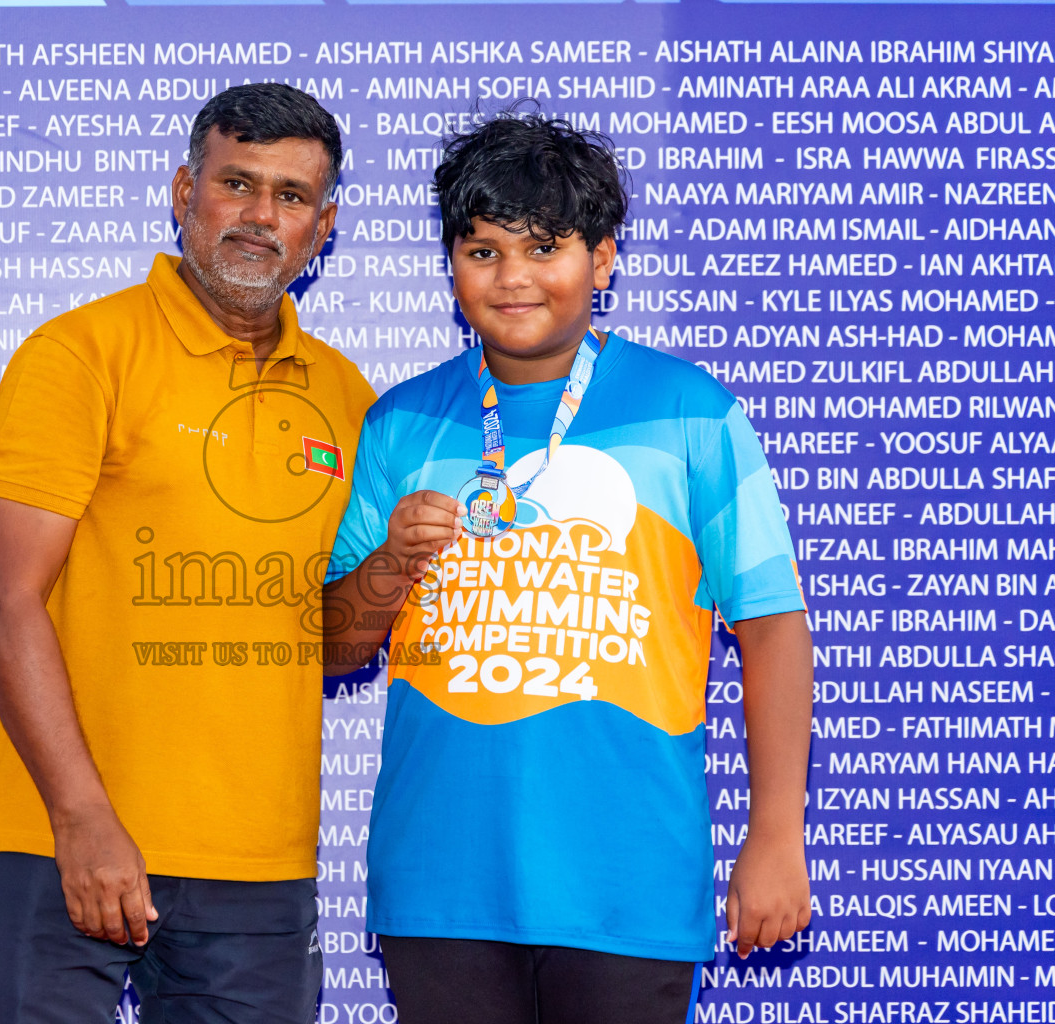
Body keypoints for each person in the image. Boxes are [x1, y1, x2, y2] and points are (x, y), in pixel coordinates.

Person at [322, 115, 813, 1024]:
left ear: (604, 258)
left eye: (544, 246)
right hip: (441, 879)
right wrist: (390, 562)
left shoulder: (691, 413)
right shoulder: (400, 423)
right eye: (482, 249)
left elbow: (773, 625)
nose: (512, 277)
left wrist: (776, 836)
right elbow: (334, 648)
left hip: (627, 879)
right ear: (452, 263)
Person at [0, 83, 375, 1024]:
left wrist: (394, 574)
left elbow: (331, 652)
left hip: (257, 869)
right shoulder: (79, 353)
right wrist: (83, 820)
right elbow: (4, 602)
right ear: (185, 192)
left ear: (325, 224)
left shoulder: (349, 400)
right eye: (237, 183)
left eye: (292, 196)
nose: (262, 217)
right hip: (54, 841)